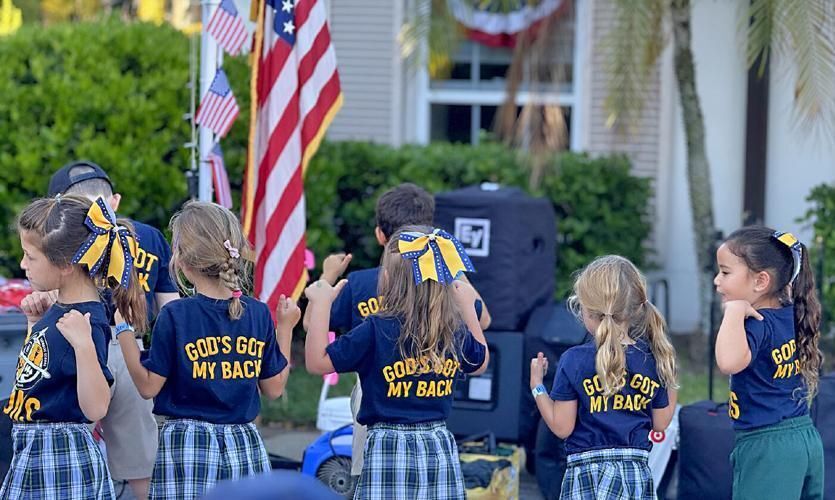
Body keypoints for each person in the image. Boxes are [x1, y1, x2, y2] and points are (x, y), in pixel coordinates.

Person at [302, 182, 491, 478]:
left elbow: (312, 330)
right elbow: (483, 322)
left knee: (369, 475)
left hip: (377, 402)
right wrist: (450, 272)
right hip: (430, 417)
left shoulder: (360, 287)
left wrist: (325, 281)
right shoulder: (447, 317)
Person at [118, 201, 297, 500]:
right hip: (244, 443)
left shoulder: (175, 315)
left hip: (188, 449)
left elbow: (148, 386)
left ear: (183, 262)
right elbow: (275, 388)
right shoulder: (258, 314)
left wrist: (123, 329)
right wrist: (287, 328)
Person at [47, 159, 178, 499]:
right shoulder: (148, 237)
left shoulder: (65, 236)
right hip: (131, 349)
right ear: (114, 200)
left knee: (68, 447)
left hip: (76, 344)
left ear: (60, 207)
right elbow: (171, 309)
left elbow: (50, 294)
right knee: (140, 461)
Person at [1, 195, 147, 499]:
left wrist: (84, 347)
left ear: (66, 264)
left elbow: (96, 408)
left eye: (30, 256)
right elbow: (33, 375)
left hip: (62, 456)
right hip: (34, 450)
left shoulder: (87, 320)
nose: (22, 264)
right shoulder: (60, 309)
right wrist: (34, 323)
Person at [530, 255, 678, 500]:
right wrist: (671, 380)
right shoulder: (650, 359)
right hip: (635, 474)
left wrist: (537, 386)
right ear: (636, 309)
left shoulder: (574, 360)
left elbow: (561, 427)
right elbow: (661, 423)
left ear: (587, 311)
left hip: (588, 476)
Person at [714, 227, 824, 500]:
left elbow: (728, 362)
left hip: (768, 447)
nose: (717, 281)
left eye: (725, 272)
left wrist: (734, 312)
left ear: (760, 281)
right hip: (804, 437)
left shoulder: (756, 323)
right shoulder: (793, 315)